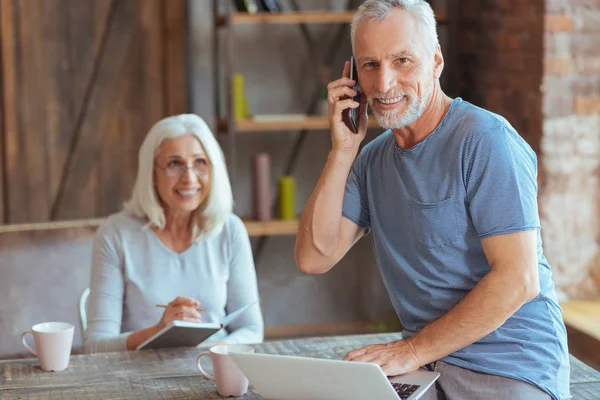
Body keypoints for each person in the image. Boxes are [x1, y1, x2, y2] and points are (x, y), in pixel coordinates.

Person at [294, 1, 570, 399]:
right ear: (352, 76)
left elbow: (518, 279)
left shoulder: (486, 141)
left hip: (510, 367)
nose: (385, 83)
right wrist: (342, 150)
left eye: (402, 60)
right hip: (426, 369)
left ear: (435, 61)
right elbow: (314, 257)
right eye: (369, 65)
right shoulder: (371, 161)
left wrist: (411, 350)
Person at [85, 114, 264, 353]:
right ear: (152, 173)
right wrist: (159, 331)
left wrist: (209, 351)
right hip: (138, 378)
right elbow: (96, 346)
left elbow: (252, 330)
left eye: (200, 162)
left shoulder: (230, 230)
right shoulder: (115, 235)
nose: (189, 178)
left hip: (213, 369)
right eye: (174, 164)